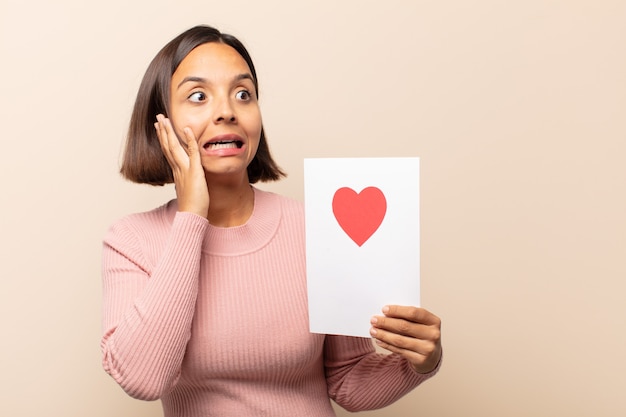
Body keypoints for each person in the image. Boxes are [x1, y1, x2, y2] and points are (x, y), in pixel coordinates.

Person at [101, 25, 442, 417]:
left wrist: (420, 362)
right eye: (198, 96)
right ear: (159, 123)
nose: (227, 111)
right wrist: (192, 217)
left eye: (243, 94)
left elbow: (348, 380)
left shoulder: (319, 229)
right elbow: (143, 379)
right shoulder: (131, 241)